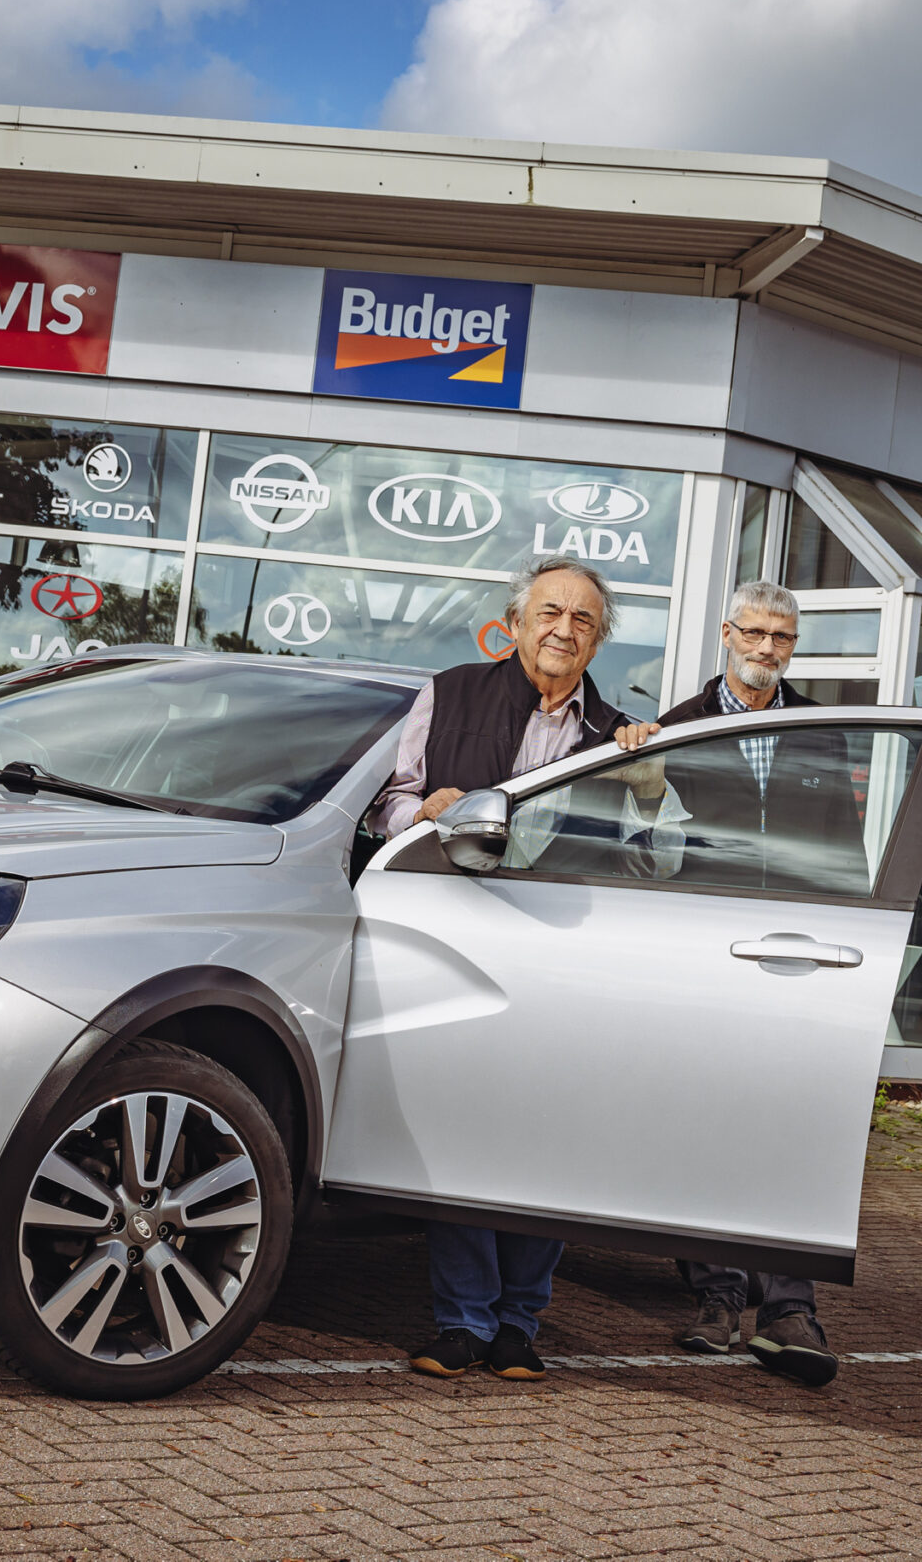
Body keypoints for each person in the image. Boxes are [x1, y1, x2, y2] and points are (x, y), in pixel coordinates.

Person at [372, 555, 668, 1382]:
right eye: (549, 613)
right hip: (461, 938)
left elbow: (655, 862)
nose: (563, 631)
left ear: (599, 639)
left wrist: (648, 791)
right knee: (465, 1128)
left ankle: (518, 1325)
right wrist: (423, 809)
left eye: (582, 620)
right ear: (517, 621)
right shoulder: (452, 689)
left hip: (565, 960)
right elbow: (389, 801)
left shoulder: (620, 736)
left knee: (547, 1136)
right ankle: (461, 1322)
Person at [611, 579, 839, 1387]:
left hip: (798, 957)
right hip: (708, 953)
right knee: (706, 1121)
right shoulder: (674, 730)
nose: (768, 648)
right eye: (755, 632)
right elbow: (648, 849)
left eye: (782, 636)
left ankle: (788, 1305)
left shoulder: (824, 728)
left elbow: (841, 844)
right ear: (726, 633)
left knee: (788, 1126)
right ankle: (715, 1294)